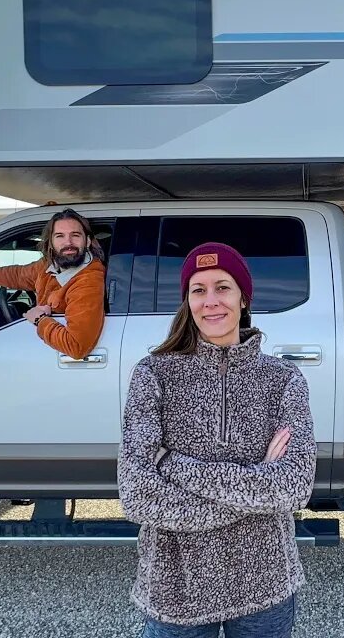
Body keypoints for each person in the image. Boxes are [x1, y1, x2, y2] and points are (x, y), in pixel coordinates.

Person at [117, 242, 316, 637]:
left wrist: (170, 464)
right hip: (175, 588)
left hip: (265, 583)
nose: (211, 301)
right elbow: (137, 495)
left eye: (223, 287)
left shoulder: (284, 380)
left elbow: (294, 487)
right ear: (187, 301)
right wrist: (257, 485)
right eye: (199, 290)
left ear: (243, 298)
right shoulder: (154, 374)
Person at [0, 208, 106, 360]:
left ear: (88, 242)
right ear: (51, 243)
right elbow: (16, 275)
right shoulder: (48, 267)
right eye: (60, 236)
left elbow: (77, 347)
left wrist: (40, 320)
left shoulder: (88, 281)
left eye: (75, 235)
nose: (68, 242)